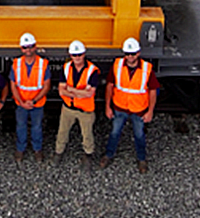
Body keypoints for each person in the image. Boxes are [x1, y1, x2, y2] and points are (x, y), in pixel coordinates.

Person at [100, 37, 159, 173]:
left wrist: (150, 111)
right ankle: (108, 155)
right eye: (127, 53)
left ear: (138, 53)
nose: (130, 56)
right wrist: (107, 107)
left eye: (132, 54)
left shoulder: (146, 69)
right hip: (120, 107)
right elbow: (110, 86)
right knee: (114, 133)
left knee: (139, 135)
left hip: (138, 110)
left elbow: (152, 91)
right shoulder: (117, 65)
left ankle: (141, 159)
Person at [55, 39, 101, 168]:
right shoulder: (66, 68)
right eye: (74, 55)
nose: (77, 58)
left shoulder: (92, 70)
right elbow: (61, 91)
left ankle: (88, 155)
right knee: (62, 133)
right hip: (68, 108)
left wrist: (70, 90)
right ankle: (58, 152)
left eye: (79, 55)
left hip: (85, 110)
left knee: (87, 136)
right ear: (70, 56)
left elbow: (89, 94)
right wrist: (79, 93)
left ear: (84, 54)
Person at [10, 32, 50, 162]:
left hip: (36, 104)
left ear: (35, 47)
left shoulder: (43, 64)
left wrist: (33, 101)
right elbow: (13, 85)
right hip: (21, 104)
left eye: (31, 46)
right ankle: (20, 150)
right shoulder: (16, 63)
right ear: (21, 48)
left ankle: (37, 149)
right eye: (25, 47)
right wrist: (22, 102)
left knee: (36, 127)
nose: (28, 50)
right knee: (21, 126)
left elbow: (46, 86)